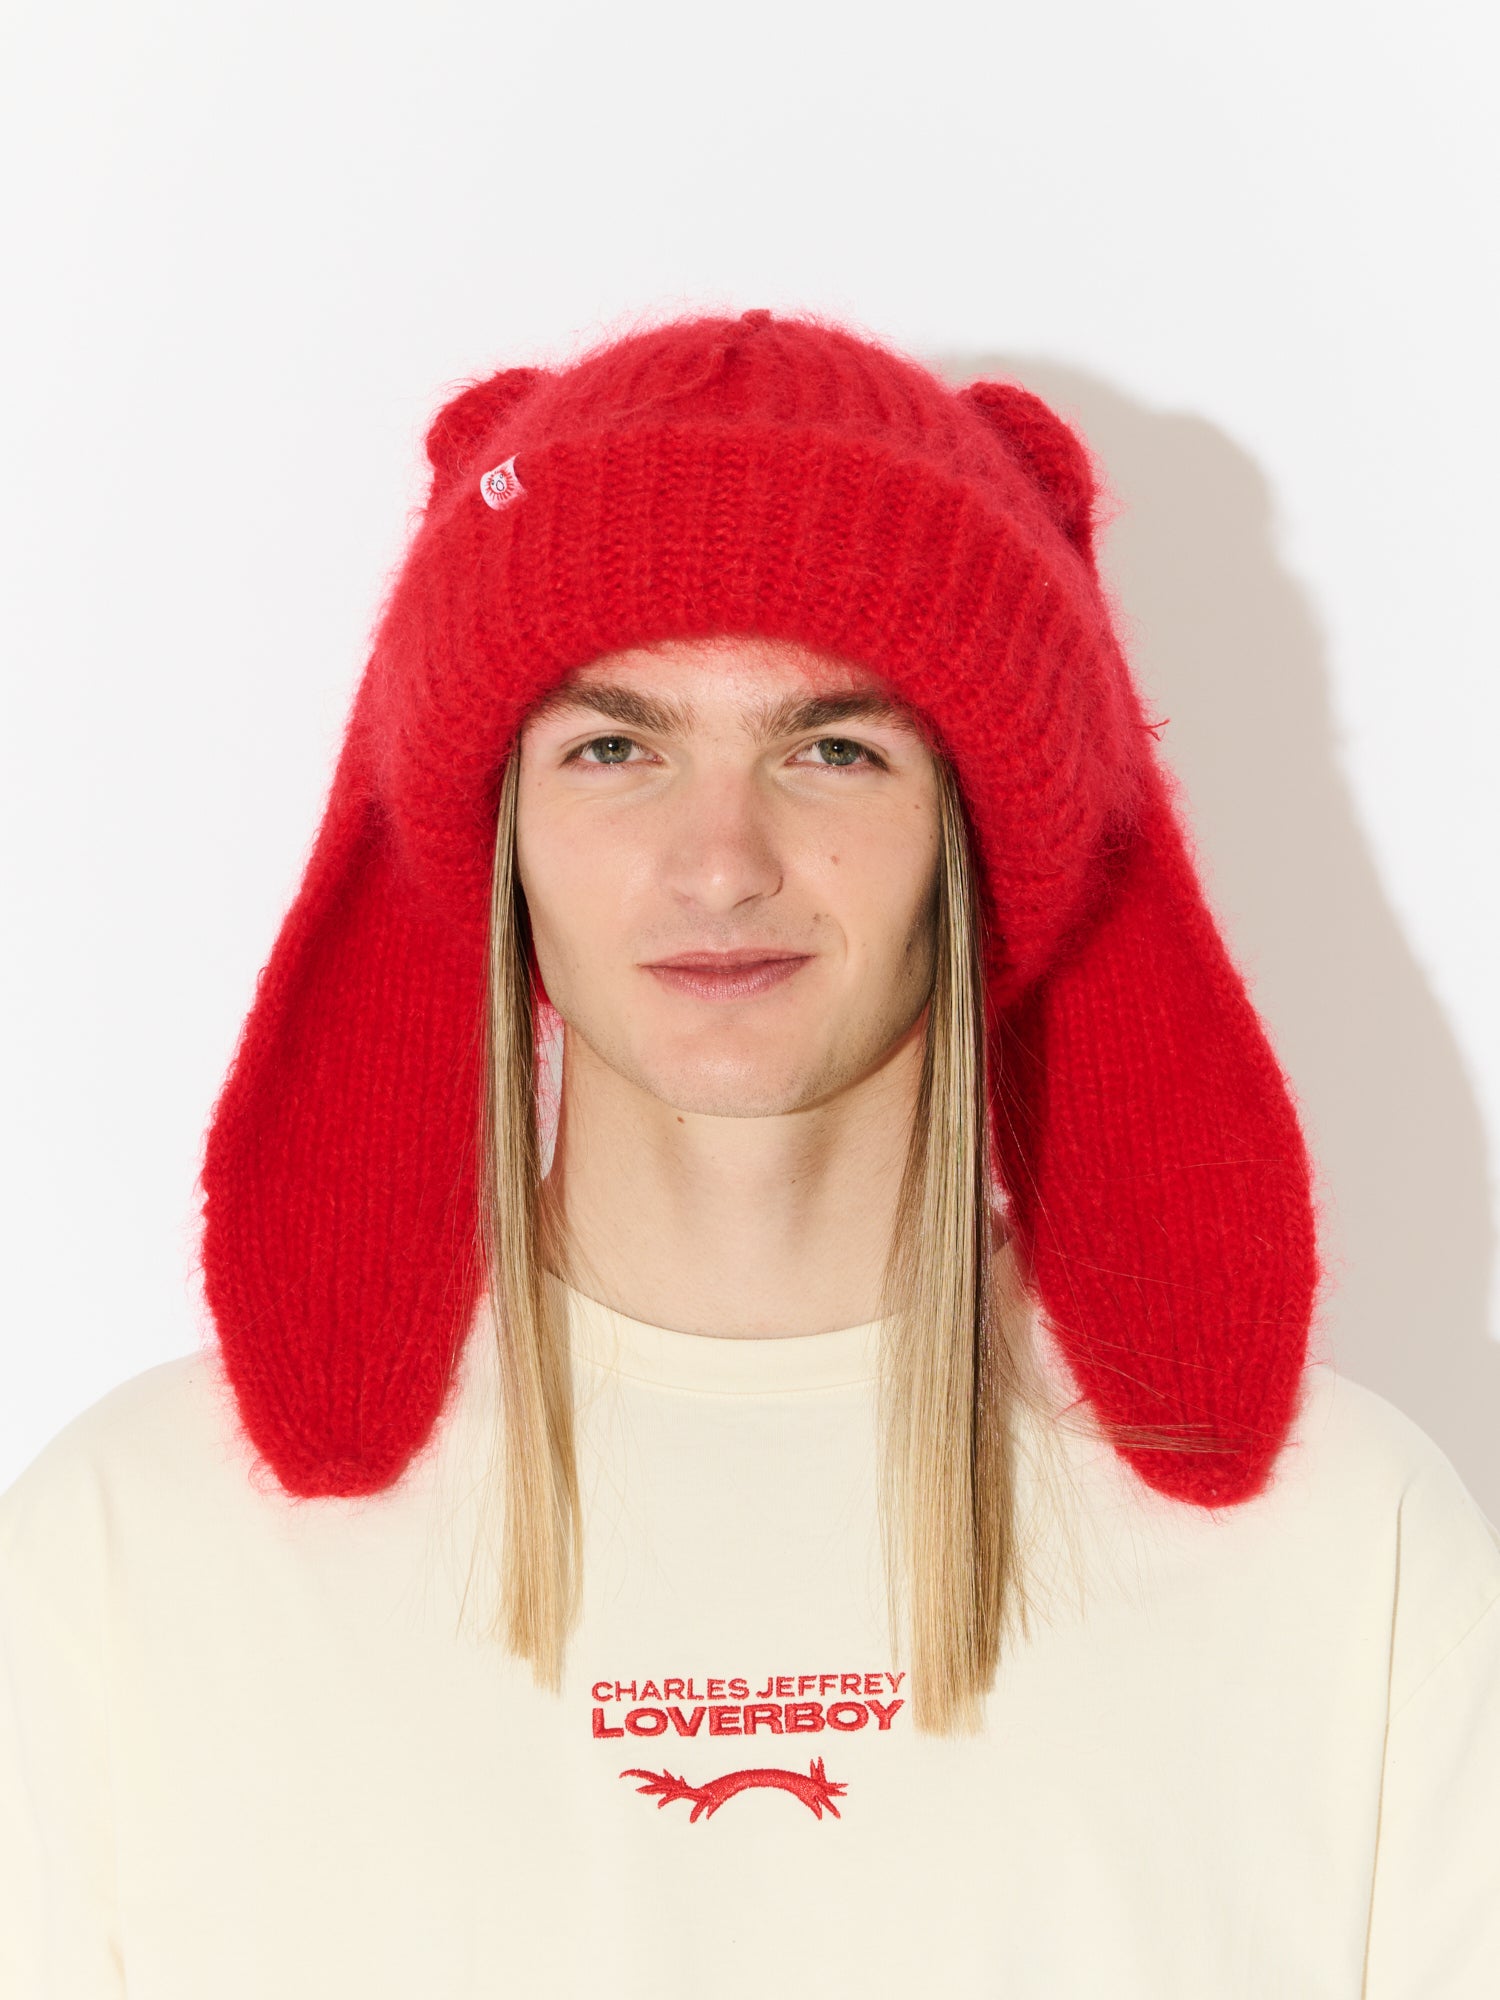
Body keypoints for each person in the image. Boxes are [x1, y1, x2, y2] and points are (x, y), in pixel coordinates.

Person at [2, 308, 1497, 1997]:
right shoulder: (131, 1556)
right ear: (500, 836)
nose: (721, 861)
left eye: (833, 748)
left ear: (976, 830)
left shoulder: (1346, 1558)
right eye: (615, 747)